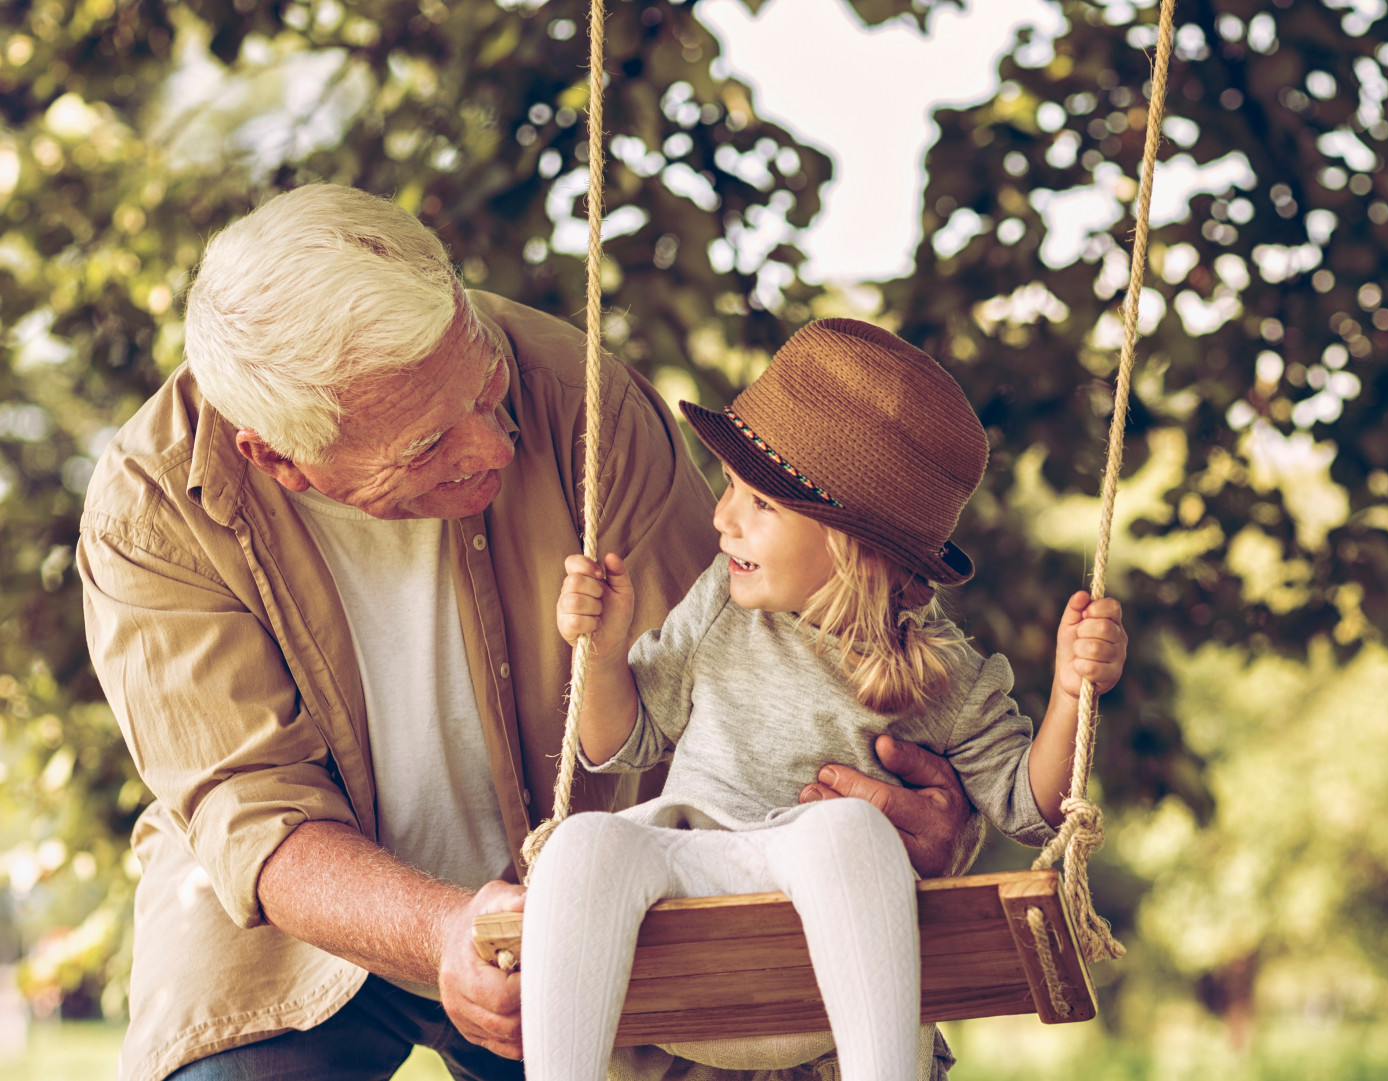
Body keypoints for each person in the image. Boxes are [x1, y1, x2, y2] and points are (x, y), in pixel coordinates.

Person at [77, 184, 976, 1081]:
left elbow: (745, 682)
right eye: (429, 445)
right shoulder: (147, 509)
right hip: (306, 916)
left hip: (591, 884)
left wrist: (898, 820)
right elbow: (253, 810)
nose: (495, 445)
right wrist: (441, 931)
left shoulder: (580, 397)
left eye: (486, 386)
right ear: (279, 458)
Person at [523, 320, 1128, 1081]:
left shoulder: (940, 673)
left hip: (826, 953)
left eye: (760, 504)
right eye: (730, 489)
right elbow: (620, 742)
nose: (722, 517)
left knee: (848, 829)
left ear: (854, 543)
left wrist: (1073, 693)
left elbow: (1028, 804)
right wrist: (603, 655)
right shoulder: (721, 604)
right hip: (695, 882)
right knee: (581, 844)